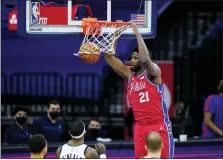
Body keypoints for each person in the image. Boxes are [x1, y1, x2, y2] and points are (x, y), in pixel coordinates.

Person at [104, 22, 174, 158]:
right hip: (140, 126)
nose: (132, 60)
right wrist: (116, 34)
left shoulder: (153, 72)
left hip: (158, 124)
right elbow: (109, 57)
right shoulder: (129, 74)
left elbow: (146, 60)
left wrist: (137, 34)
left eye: (136, 58)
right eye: (132, 57)